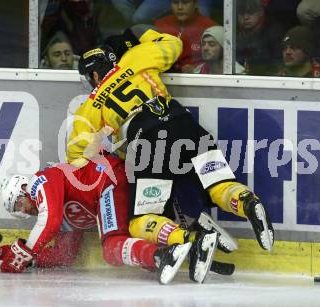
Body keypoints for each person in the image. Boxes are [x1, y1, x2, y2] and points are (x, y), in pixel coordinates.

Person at [69, 25, 274, 257]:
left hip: (149, 142)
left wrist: (111, 157)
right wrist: (141, 30)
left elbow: (76, 156)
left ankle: (188, 239)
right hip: (184, 124)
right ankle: (247, 202)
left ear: (95, 75)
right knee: (218, 185)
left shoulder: (90, 106)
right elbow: (174, 44)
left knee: (140, 220)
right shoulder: (137, 57)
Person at [0, 154, 219, 285]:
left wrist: (23, 253)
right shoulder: (55, 204)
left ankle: (162, 256)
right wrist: (33, 260)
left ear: (22, 190)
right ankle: (190, 246)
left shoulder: (39, 181)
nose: (25, 212)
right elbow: (66, 255)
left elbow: (49, 221)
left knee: (112, 246)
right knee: (136, 228)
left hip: (108, 180)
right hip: (114, 180)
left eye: (19, 205)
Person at [153, 0, 217, 73]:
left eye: (185, 2)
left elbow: (218, 61)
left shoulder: (210, 27)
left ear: (195, 4)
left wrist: (197, 69)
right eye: (175, 2)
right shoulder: (160, 24)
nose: (180, 7)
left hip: (196, 79)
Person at [236, 0, 285, 75]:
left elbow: (278, 64)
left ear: (261, 12)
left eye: (250, 12)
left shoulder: (274, 33)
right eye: (241, 13)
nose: (245, 17)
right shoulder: (233, 32)